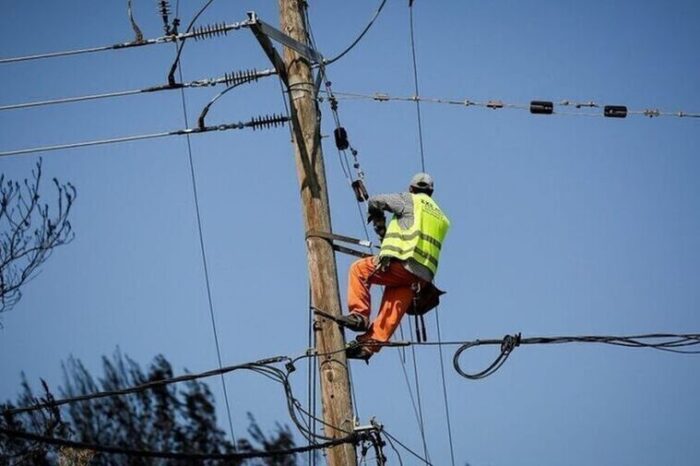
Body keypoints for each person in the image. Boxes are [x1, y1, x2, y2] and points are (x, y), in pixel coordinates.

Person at [339, 173, 450, 361]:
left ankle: (359, 316)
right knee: (393, 306)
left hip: (405, 264)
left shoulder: (410, 200)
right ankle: (368, 346)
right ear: (431, 192)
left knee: (359, 270)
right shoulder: (441, 216)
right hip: (422, 276)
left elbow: (376, 201)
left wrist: (377, 216)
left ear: (412, 189)